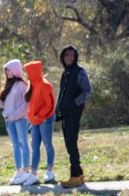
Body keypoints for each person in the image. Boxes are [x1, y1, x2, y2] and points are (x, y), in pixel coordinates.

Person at [55, 45, 92, 188]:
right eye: (66, 55)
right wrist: (58, 110)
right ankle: (79, 174)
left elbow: (87, 91)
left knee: (71, 143)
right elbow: (62, 94)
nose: (69, 58)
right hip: (64, 114)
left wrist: (74, 104)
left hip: (74, 114)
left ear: (75, 57)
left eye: (71, 55)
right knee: (69, 144)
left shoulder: (80, 72)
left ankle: (75, 176)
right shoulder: (66, 74)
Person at [0, 60, 30, 186]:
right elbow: (3, 105)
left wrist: (13, 115)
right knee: (15, 145)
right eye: (6, 70)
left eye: (9, 69)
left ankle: (26, 171)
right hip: (9, 120)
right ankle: (18, 171)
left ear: (16, 69)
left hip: (20, 119)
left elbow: (26, 105)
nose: (7, 72)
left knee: (23, 143)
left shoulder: (23, 85)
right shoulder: (8, 86)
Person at [25, 60, 57, 184]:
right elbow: (31, 103)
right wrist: (32, 116)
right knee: (35, 147)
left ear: (34, 71)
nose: (27, 74)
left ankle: (49, 171)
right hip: (35, 120)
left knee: (47, 144)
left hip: (45, 119)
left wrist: (40, 116)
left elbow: (50, 105)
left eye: (28, 71)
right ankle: (33, 174)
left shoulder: (45, 84)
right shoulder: (31, 84)